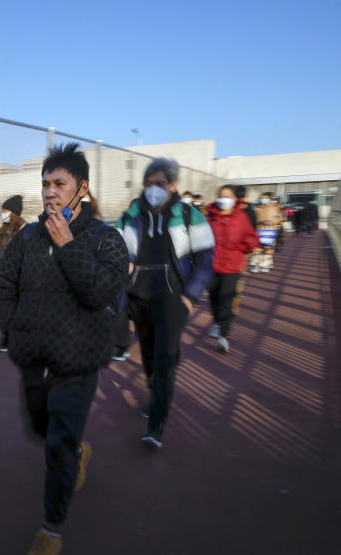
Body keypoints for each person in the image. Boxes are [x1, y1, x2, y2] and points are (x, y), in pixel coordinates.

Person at [0, 144, 127, 555]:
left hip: (77, 363)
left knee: (56, 449)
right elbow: (4, 287)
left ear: (81, 189)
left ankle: (50, 530)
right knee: (38, 428)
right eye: (45, 184)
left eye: (59, 184)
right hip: (32, 358)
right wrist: (14, 332)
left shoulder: (106, 239)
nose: (50, 192)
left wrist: (68, 245)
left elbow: (101, 292)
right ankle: (77, 452)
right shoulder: (26, 238)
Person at [117, 158, 214, 449]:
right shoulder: (132, 214)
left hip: (173, 298)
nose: (153, 189)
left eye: (159, 184)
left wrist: (190, 295)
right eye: (148, 183)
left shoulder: (188, 215)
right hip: (139, 295)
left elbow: (206, 259)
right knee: (147, 354)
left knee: (165, 358)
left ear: (172, 186)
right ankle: (154, 393)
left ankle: (156, 424)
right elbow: (118, 250)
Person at [205, 185, 260, 353]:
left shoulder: (240, 217)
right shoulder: (210, 217)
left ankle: (223, 336)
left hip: (232, 265)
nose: (224, 199)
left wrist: (241, 249)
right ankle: (216, 321)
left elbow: (252, 238)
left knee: (226, 298)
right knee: (213, 296)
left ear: (235, 198)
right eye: (221, 195)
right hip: (212, 264)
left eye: (228, 196)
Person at [0, 195, 26, 352]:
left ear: (14, 212)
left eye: (5, 210)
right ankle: (9, 336)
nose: (3, 213)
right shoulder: (3, 231)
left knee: (13, 309)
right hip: (1, 278)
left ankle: (12, 339)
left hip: (15, 278)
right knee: (1, 309)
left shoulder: (24, 231)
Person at [250, 192, 283, 273]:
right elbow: (254, 220)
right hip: (259, 230)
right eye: (262, 198)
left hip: (271, 231)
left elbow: (281, 218)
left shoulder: (276, 208)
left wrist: (272, 221)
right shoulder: (257, 209)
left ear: (270, 199)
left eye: (265, 198)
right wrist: (260, 222)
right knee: (257, 249)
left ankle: (265, 265)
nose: (263, 200)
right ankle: (256, 266)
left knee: (268, 249)